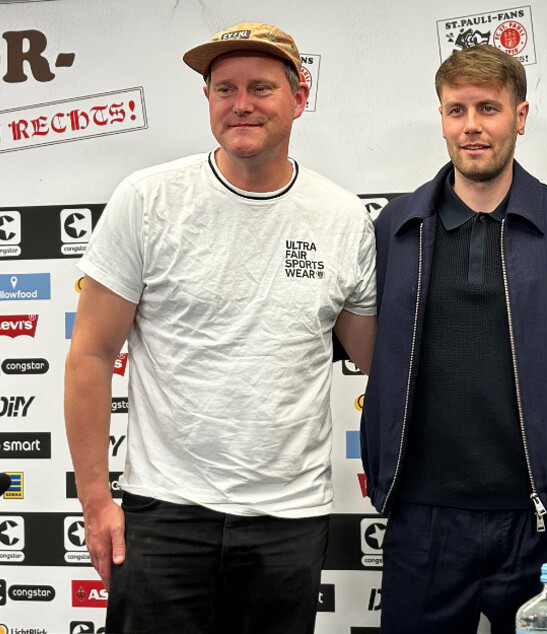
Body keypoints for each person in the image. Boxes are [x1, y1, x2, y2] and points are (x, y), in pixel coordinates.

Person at [64, 22, 377, 634]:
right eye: (223, 88)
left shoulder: (342, 217)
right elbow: (90, 356)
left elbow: (377, 361)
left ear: (299, 97)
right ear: (207, 98)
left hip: (290, 519)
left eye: (261, 87)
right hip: (164, 516)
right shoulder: (147, 199)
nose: (241, 105)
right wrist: (97, 501)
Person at [360, 44, 547, 633]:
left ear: (521, 117)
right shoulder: (395, 228)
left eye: (489, 108)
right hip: (420, 517)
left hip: (541, 519)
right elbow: (359, 343)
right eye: (456, 110)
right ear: (442, 118)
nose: (472, 127)